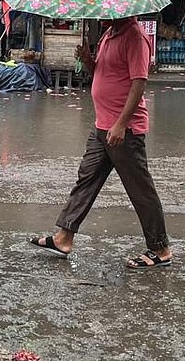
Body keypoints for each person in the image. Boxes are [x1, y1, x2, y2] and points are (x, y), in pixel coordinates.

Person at [29, 17, 171, 270]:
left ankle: (160, 248)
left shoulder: (135, 37)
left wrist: (121, 124)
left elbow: (139, 82)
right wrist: (87, 59)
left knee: (140, 189)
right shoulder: (109, 34)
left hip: (123, 130)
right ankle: (64, 237)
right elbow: (102, 74)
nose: (99, 16)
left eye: (105, 11)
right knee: (86, 180)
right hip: (102, 127)